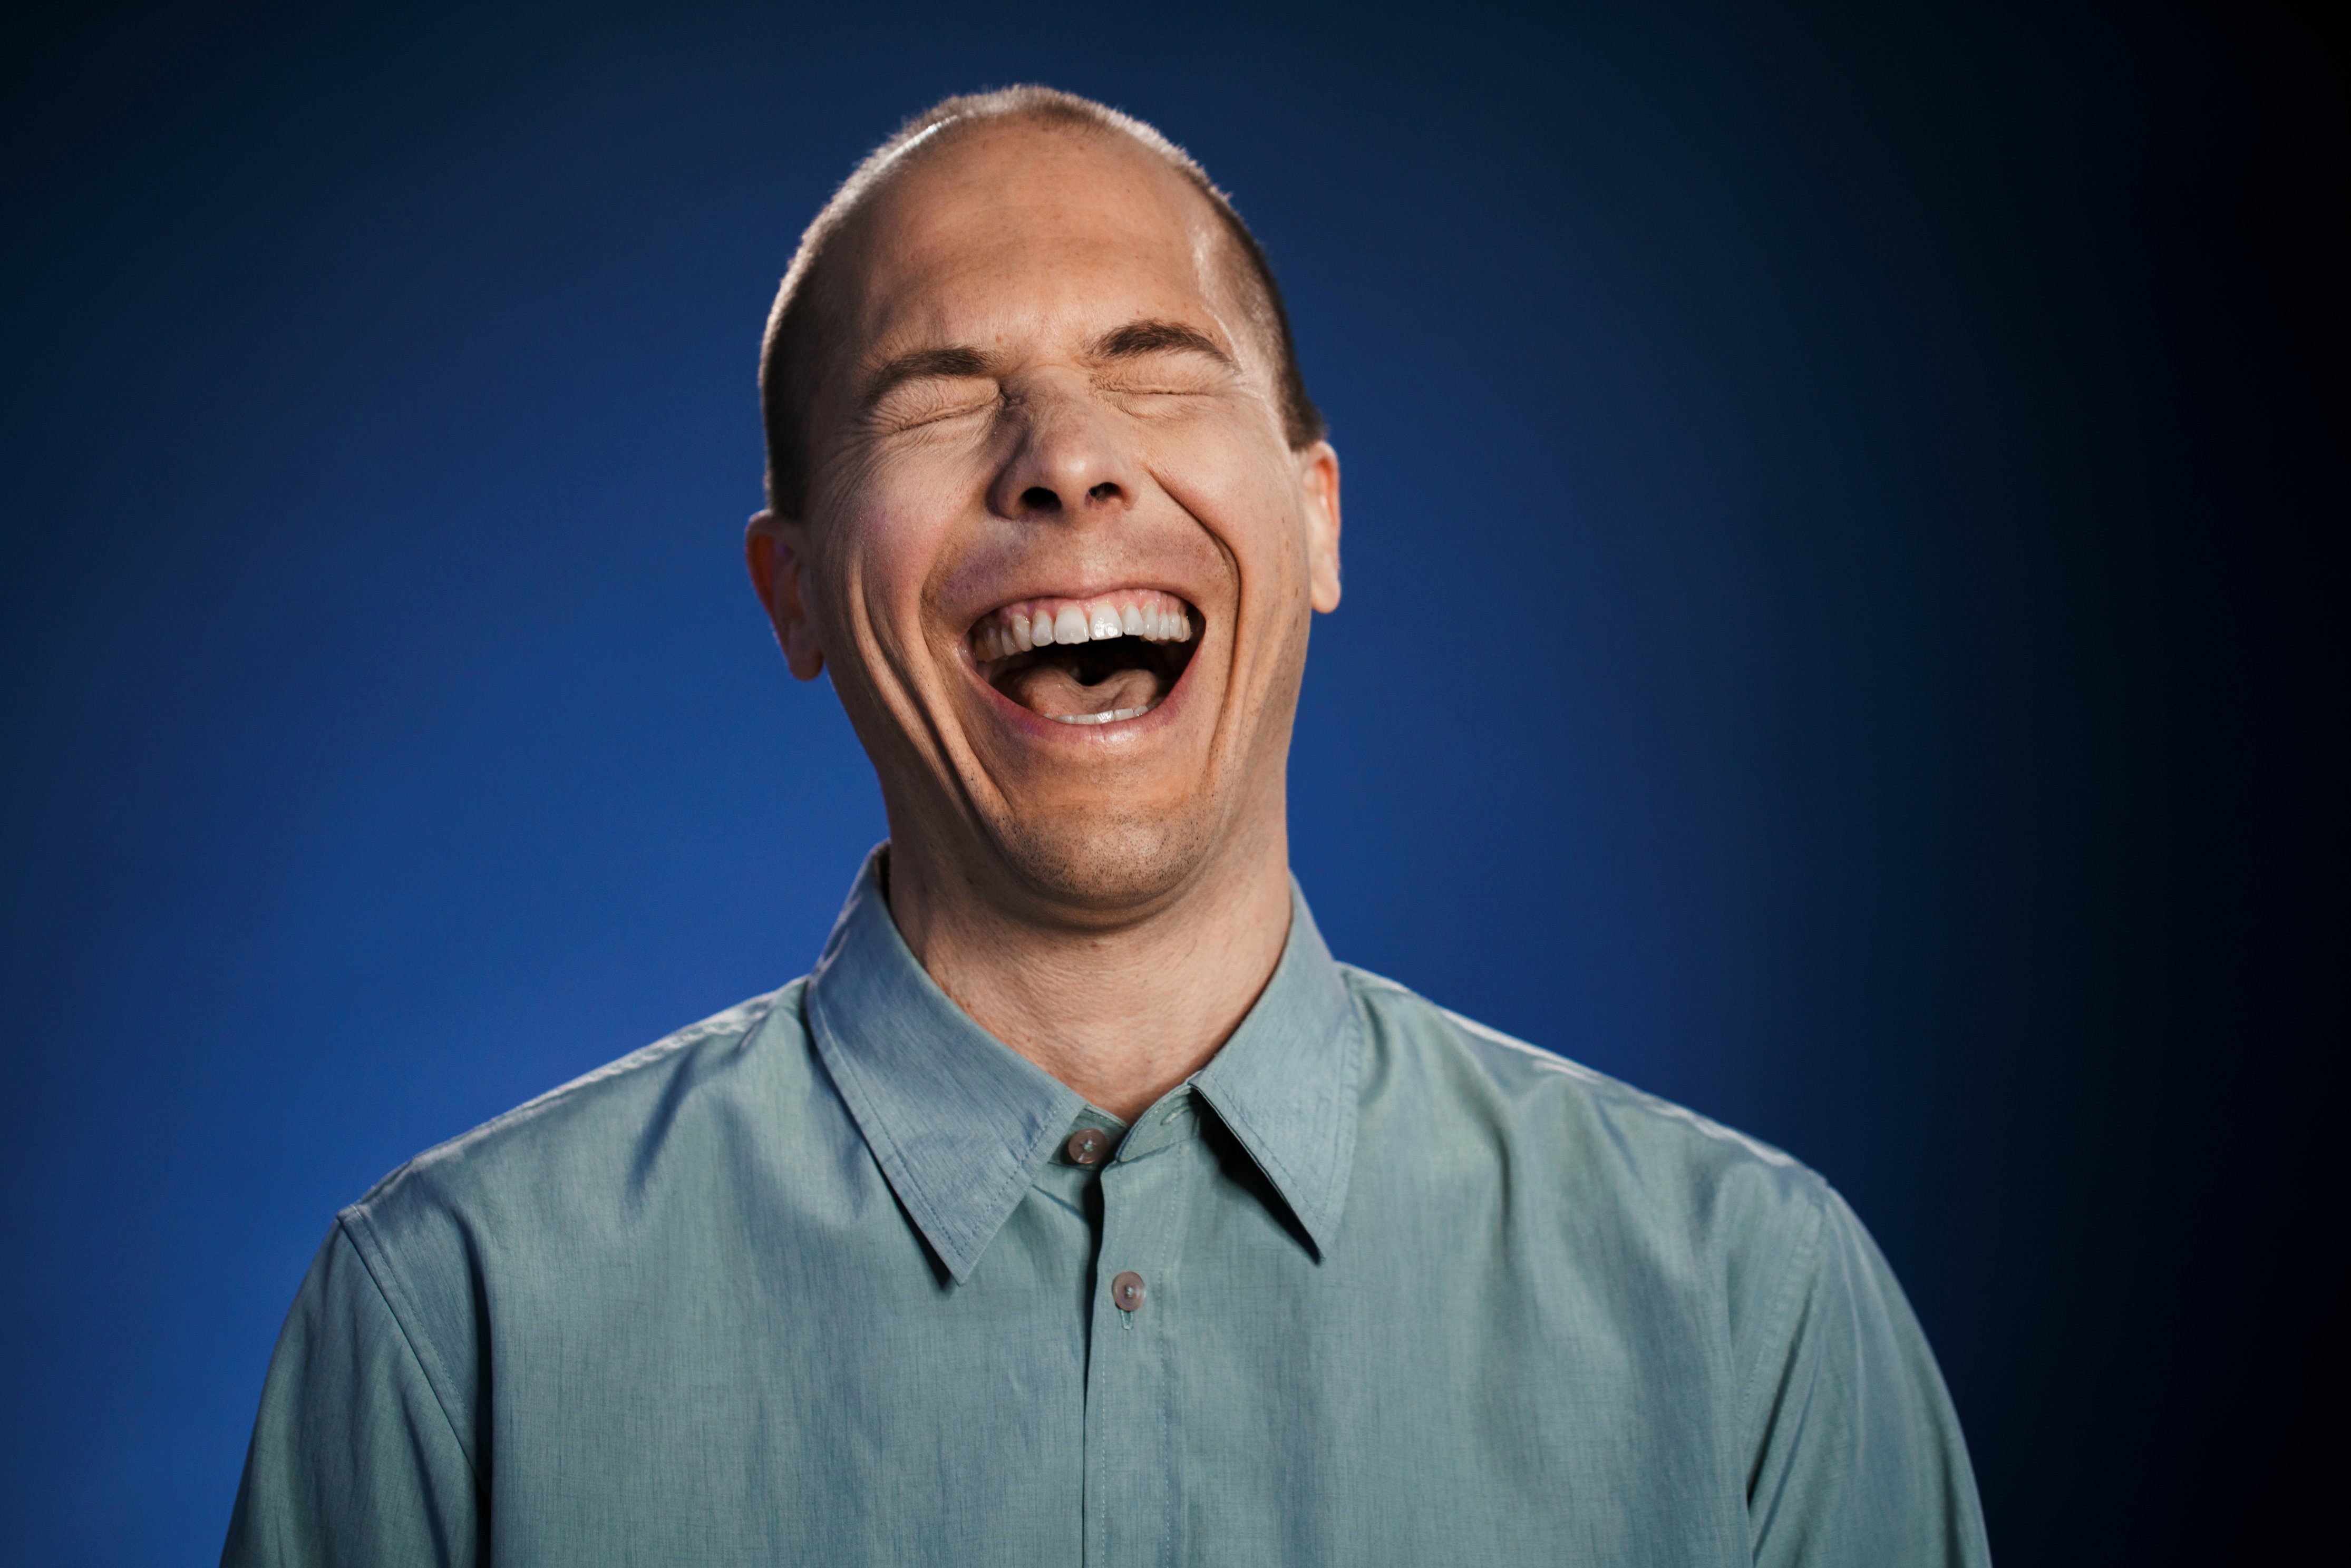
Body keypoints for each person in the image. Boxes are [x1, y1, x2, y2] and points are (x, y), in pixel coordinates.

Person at [222, 86, 1989, 1567]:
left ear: (1314, 522)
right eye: (933, 396)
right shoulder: (453, 1332)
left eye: (1156, 368)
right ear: (793, 597)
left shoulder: (1755, 1315)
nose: (1065, 458)